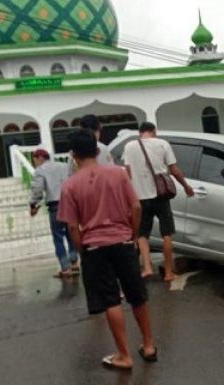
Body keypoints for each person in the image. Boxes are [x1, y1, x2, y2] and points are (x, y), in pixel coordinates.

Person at [58, 129, 156, 370]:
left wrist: (83, 251)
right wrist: (132, 234)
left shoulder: (70, 186)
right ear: (97, 149)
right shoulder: (118, 174)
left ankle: (124, 355)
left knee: (111, 299)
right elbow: (136, 207)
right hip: (122, 241)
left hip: (94, 247)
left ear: (73, 155)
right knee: (137, 295)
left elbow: (72, 226)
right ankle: (149, 345)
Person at [123, 122, 194, 281]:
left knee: (142, 235)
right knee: (167, 234)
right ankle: (169, 273)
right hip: (161, 196)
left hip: (140, 197)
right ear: (153, 131)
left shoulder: (129, 146)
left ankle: (147, 268)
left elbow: (127, 173)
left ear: (140, 132)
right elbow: (174, 170)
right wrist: (186, 186)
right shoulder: (162, 144)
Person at [29, 148, 78, 278]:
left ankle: (65, 267)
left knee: (58, 237)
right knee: (70, 233)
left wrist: (33, 204)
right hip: (69, 204)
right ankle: (74, 261)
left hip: (55, 206)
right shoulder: (63, 166)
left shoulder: (40, 170)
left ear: (39, 158)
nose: (35, 163)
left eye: (35, 160)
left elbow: (37, 190)